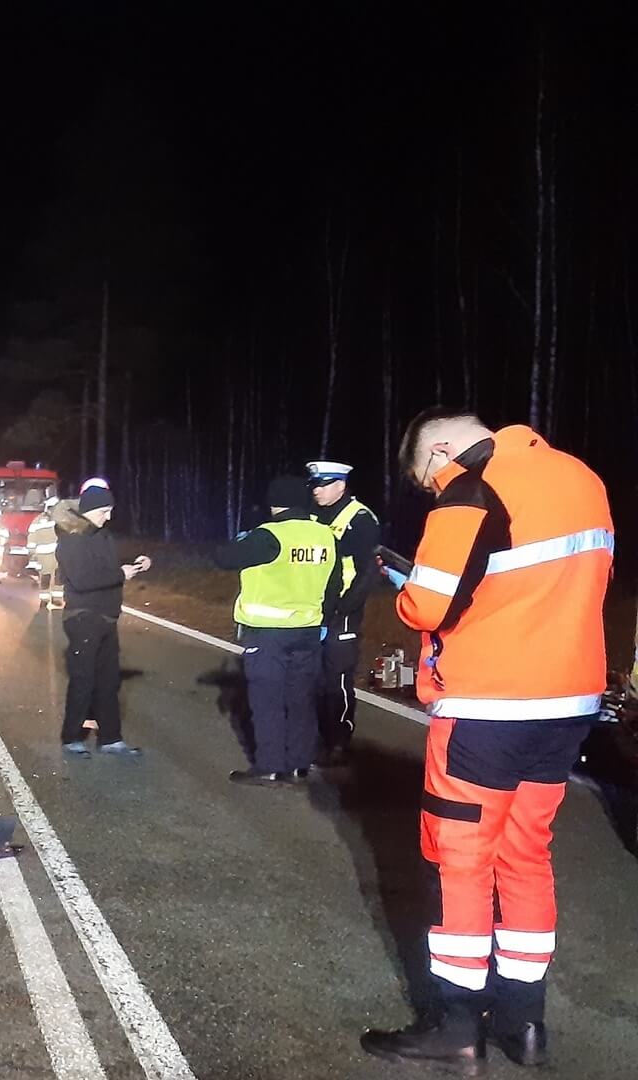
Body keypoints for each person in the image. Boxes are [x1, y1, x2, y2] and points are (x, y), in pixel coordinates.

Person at [361, 411, 613, 1072]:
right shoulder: (579, 478)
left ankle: (454, 1026)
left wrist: (406, 585)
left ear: (441, 449)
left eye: (426, 475)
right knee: (526, 854)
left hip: (487, 707)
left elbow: (428, 606)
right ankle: (524, 1023)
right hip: (567, 703)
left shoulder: (468, 491)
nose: (432, 487)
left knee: (460, 860)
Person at [214, 474, 341, 785]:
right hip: (309, 630)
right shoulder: (325, 536)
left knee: (267, 700)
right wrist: (323, 618)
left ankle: (270, 766)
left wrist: (243, 540)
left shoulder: (269, 535)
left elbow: (223, 558)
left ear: (274, 504)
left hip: (269, 632)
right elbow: (334, 585)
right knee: (301, 700)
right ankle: (299, 764)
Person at [53, 483, 150, 757]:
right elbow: (83, 580)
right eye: (104, 511)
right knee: (83, 678)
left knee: (108, 681)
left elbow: (108, 565)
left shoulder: (100, 535)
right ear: (91, 510)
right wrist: (121, 574)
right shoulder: (71, 538)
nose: (108, 517)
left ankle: (111, 739)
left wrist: (134, 562)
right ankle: (71, 737)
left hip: (107, 616)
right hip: (83, 616)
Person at [307, 460, 382, 766]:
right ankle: (314, 737)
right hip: (312, 608)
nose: (317, 491)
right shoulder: (312, 516)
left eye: (323, 485)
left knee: (336, 676)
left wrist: (344, 608)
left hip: (342, 610)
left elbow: (368, 573)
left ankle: (338, 741)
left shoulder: (359, 519)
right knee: (312, 676)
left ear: (341, 485)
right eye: (314, 485)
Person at [28, 497, 63, 609]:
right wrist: (32, 553)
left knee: (59, 577)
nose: (53, 511)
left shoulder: (62, 519)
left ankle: (57, 599)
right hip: (43, 556)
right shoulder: (38, 521)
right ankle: (44, 600)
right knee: (45, 578)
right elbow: (32, 537)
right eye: (51, 508)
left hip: (59, 554)